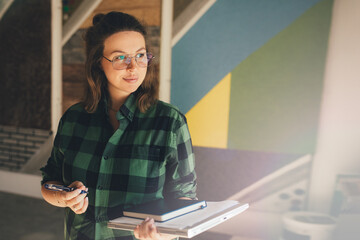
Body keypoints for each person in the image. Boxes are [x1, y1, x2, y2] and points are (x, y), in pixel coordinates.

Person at [40, 11, 197, 240]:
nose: (133, 67)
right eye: (120, 57)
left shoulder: (170, 122)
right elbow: (49, 183)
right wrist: (64, 198)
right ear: (98, 63)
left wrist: (160, 235)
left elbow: (185, 200)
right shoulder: (74, 119)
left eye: (140, 55)